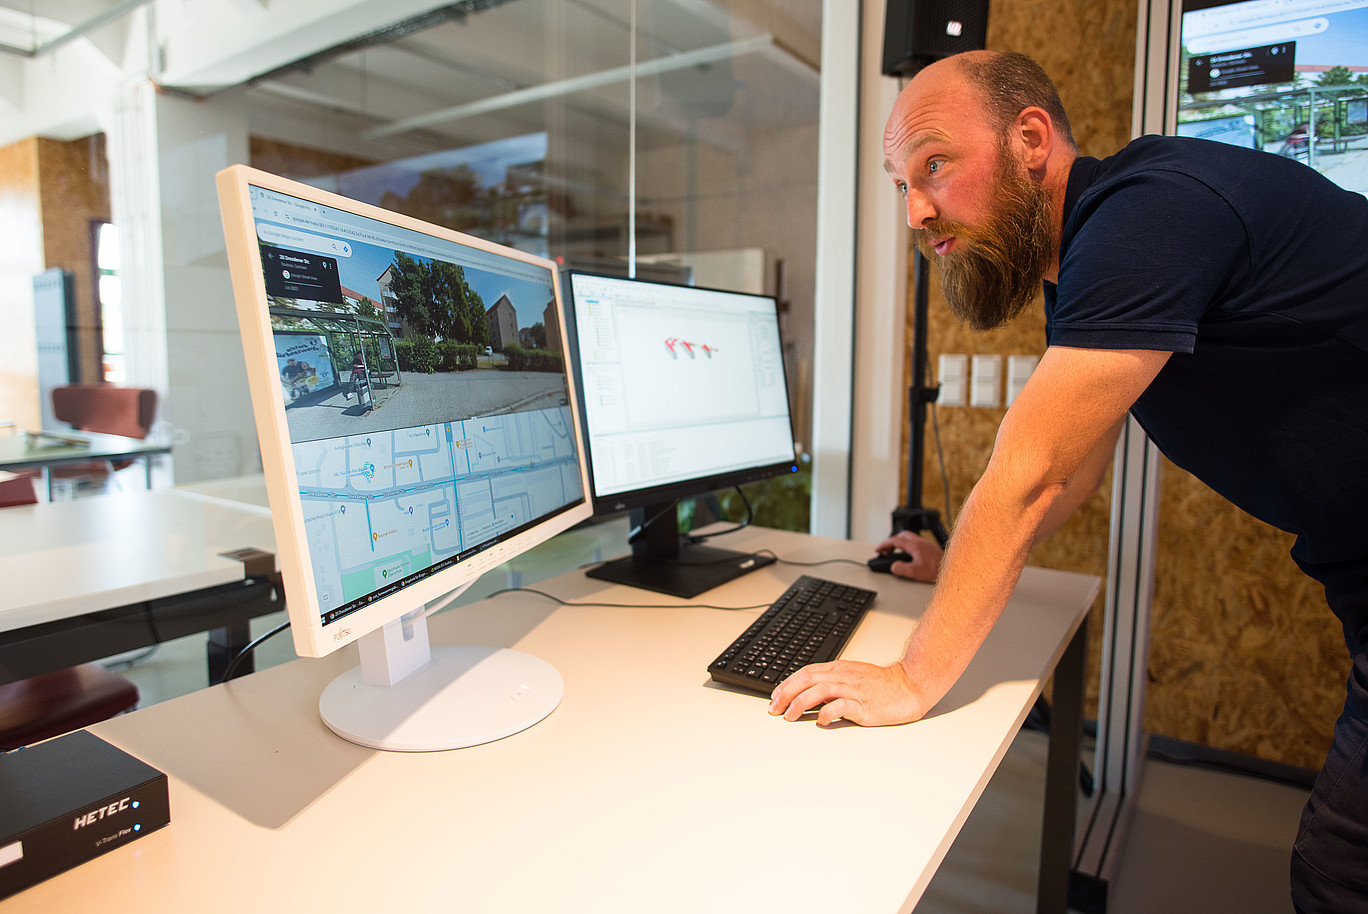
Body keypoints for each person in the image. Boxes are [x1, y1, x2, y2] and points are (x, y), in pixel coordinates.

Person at [766, 50, 1368, 913]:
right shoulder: (1092, 255)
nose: (917, 211)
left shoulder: (1149, 213)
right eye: (902, 184)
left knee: (1340, 876)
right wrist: (957, 566)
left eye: (935, 163)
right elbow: (1079, 469)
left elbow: (1034, 474)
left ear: (1032, 139)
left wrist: (911, 677)